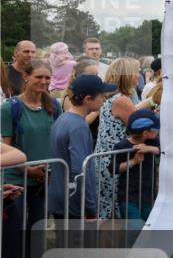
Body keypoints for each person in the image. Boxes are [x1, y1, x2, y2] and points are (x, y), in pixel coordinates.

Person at [1, 59, 62, 235]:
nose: (43, 82)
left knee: (38, 229)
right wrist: (28, 170)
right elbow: (6, 147)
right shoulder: (9, 108)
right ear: (26, 76)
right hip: (15, 180)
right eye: (39, 77)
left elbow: (56, 140)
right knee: (14, 230)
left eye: (47, 78)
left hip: (43, 180)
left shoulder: (54, 105)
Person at [50, 74, 117, 219]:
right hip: (74, 202)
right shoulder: (78, 126)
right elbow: (80, 170)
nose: (105, 99)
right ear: (88, 99)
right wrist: (90, 207)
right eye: (102, 96)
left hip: (61, 197)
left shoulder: (63, 118)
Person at [93, 58, 151, 219]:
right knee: (114, 213)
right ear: (125, 75)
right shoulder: (122, 100)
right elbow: (142, 127)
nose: (138, 76)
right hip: (116, 163)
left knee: (108, 212)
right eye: (135, 71)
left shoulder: (113, 97)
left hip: (107, 159)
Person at [113, 109, 161, 222]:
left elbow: (163, 150)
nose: (158, 132)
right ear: (146, 133)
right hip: (128, 196)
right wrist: (133, 162)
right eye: (155, 129)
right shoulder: (121, 146)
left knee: (148, 226)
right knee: (135, 228)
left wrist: (149, 148)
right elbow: (114, 168)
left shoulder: (153, 142)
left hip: (148, 195)